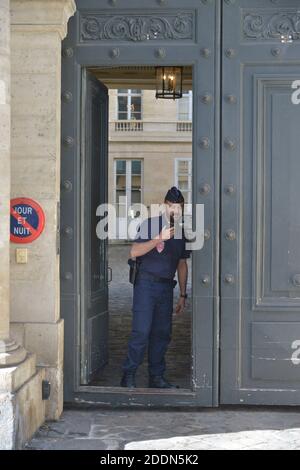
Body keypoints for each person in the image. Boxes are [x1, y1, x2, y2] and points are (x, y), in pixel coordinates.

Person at [121, 186, 190, 389]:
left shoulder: (182, 232)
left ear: (182, 209)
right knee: (141, 331)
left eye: (178, 207)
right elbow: (133, 252)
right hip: (146, 284)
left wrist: (183, 295)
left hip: (166, 287)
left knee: (162, 333)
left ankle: (156, 377)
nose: (174, 211)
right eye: (171, 206)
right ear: (164, 206)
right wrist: (159, 238)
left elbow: (182, 264)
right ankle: (129, 375)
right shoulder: (149, 224)